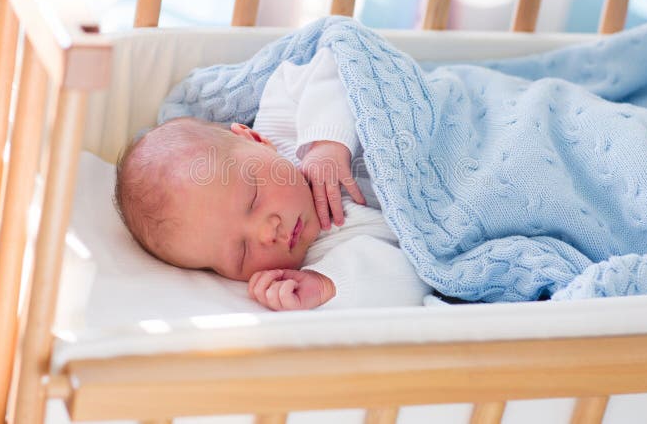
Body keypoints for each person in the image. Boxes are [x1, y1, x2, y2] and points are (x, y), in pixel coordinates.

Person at [114, 48, 430, 311]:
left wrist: (327, 142)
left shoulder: (285, 120)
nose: (267, 233)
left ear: (255, 138)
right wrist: (327, 285)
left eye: (253, 199)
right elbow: (415, 275)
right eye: (241, 253)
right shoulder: (321, 259)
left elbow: (340, 64)